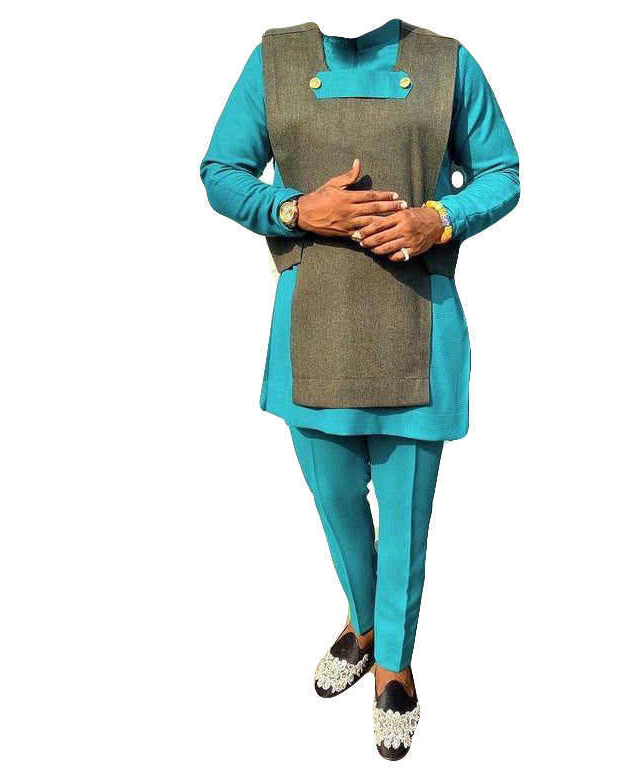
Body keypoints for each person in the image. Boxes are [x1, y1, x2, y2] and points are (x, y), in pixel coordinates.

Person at [200, 18, 519, 759]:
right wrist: (291, 209)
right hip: (313, 326)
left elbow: (501, 171)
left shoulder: (446, 61)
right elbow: (222, 169)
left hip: (418, 326)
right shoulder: (275, 59)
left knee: (405, 521)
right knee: (336, 501)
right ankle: (364, 619)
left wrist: (438, 218)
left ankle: (393, 666)